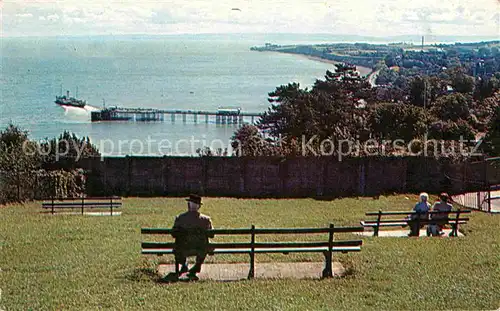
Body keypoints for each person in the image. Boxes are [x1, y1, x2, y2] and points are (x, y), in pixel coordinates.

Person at [171, 194, 214, 280]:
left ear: (189, 205)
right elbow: (212, 235)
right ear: (199, 207)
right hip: (200, 248)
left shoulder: (180, 218)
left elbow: (173, 234)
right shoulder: (206, 220)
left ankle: (184, 264)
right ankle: (197, 265)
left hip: (183, 248)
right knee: (207, 245)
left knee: (177, 246)